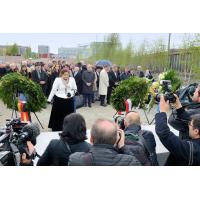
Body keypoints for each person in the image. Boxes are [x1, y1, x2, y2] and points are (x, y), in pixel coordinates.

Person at [68, 119, 140, 166]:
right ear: (117, 140)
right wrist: (122, 146)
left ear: (91, 139)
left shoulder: (75, 159)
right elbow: (137, 162)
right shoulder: (130, 161)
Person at [155, 96, 200, 165]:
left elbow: (164, 133)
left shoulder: (190, 149)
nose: (187, 125)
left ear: (196, 131)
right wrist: (178, 106)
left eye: (189, 125)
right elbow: (189, 120)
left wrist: (162, 112)